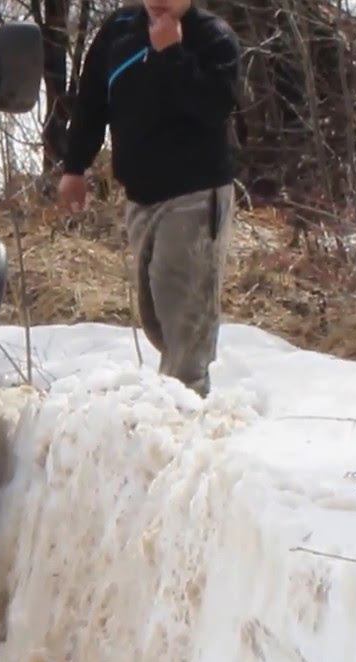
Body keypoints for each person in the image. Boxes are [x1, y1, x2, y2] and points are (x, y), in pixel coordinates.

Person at [58, 0, 241, 397]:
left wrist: (172, 53)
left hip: (194, 192)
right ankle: (173, 395)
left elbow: (216, 108)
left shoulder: (212, 37)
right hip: (140, 197)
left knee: (184, 315)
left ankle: (186, 414)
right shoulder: (119, 29)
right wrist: (75, 167)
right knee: (155, 313)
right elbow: (91, 101)